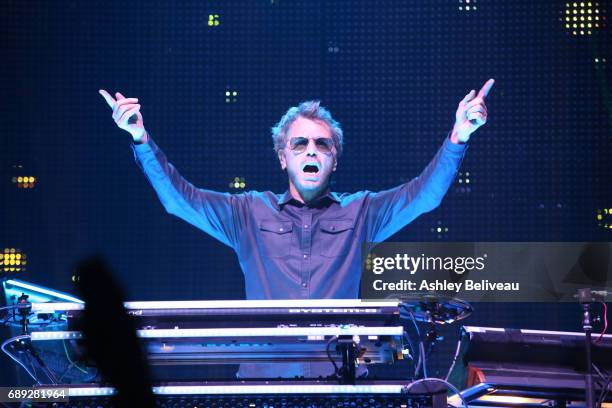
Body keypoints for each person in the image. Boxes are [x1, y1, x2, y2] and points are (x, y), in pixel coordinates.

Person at [99, 81, 493, 378]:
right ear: (282, 157)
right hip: (263, 383)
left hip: (340, 382)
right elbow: (178, 200)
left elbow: (423, 196)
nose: (310, 151)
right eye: (300, 143)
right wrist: (140, 137)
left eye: (322, 145)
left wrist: (459, 135)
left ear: (334, 160)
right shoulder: (248, 212)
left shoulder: (362, 211)